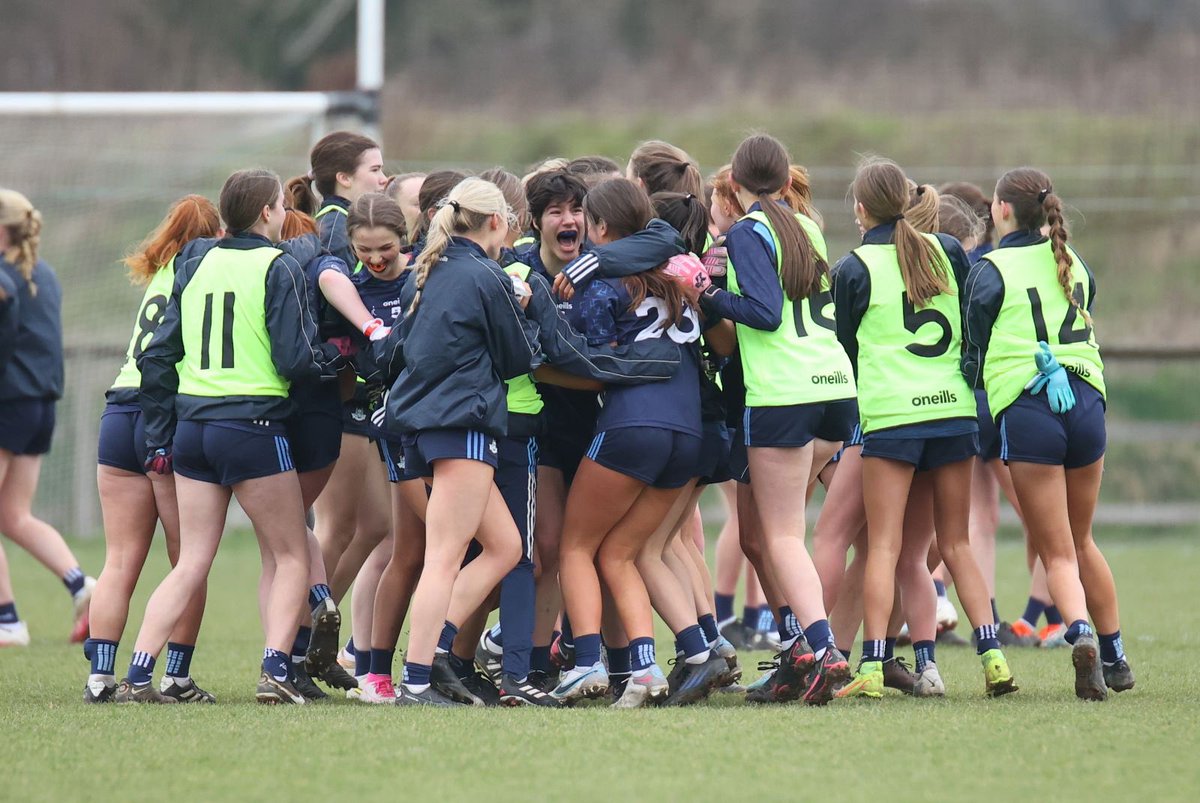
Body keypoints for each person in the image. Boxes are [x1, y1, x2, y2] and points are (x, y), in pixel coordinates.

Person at [116, 169, 342, 704]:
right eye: (278, 208)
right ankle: (275, 672)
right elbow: (294, 357)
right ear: (267, 212)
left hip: (192, 427)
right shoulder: (279, 263)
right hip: (253, 426)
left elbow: (157, 355)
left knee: (192, 560)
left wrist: (160, 434)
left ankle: (137, 675)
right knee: (289, 553)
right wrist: (338, 363)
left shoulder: (194, 261)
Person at [831, 157, 1016, 700]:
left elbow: (845, 346)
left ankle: (870, 667)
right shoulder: (951, 250)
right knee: (955, 543)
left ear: (861, 210)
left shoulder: (854, 267)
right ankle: (995, 657)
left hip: (893, 418)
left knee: (884, 547)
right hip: (954, 414)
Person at [963, 167, 1133, 699]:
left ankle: (1078, 631)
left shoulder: (989, 268)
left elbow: (973, 353)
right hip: (1085, 402)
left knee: (1056, 551)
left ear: (1003, 211)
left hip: (1029, 406)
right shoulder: (1074, 262)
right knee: (1083, 541)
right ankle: (1116, 657)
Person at [697, 135, 853, 705]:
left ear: (734, 187)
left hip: (785, 393)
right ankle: (800, 654)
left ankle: (822, 649)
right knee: (771, 533)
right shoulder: (807, 227)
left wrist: (705, 291)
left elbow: (762, 314)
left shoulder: (745, 231)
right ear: (788, 184)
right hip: (834, 389)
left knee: (779, 534)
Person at [384, 178, 542, 706]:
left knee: (505, 547)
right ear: (497, 223)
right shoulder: (486, 274)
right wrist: (527, 304)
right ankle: (416, 678)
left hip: (425, 427)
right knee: (445, 556)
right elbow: (518, 357)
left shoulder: (425, 272)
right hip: (464, 425)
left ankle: (438, 650)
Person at [82, 195, 221, 703]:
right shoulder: (201, 275)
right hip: (166, 415)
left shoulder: (160, 274)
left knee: (119, 558)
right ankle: (176, 677)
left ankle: (100, 677)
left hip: (118, 412)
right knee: (188, 559)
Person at [0, 188, 95, 648]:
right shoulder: (45, 273)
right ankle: (82, 586)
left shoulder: (4, 276)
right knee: (13, 514)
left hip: (7, 403)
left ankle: (8, 621)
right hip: (39, 406)